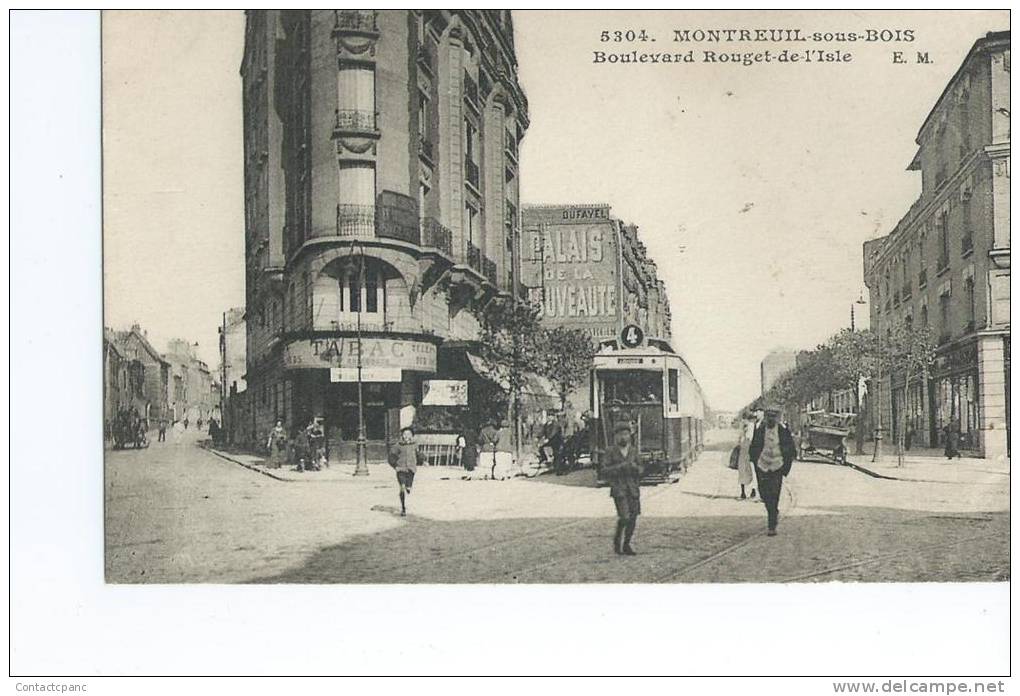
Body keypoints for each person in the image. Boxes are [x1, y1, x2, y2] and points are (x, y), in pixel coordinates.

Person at [748, 405, 797, 536]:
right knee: (764, 494)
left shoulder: (782, 431)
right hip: (762, 466)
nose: (771, 419)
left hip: (777, 467)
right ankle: (773, 512)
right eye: (768, 416)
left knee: (774, 494)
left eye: (773, 417)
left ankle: (772, 524)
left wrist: (785, 467)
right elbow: (753, 447)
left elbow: (791, 449)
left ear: (777, 418)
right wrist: (755, 461)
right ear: (765, 417)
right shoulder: (759, 430)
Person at [601, 422, 643, 555]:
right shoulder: (610, 451)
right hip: (619, 490)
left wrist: (635, 468)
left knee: (633, 517)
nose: (623, 437)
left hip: (633, 489)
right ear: (616, 437)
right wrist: (621, 467)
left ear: (630, 435)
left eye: (626, 434)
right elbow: (604, 470)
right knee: (624, 517)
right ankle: (617, 540)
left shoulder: (634, 451)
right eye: (620, 435)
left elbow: (642, 469)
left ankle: (626, 544)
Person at [389, 426, 425, 517]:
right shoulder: (398, 445)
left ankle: (408, 487)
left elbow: (419, 455)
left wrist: (423, 460)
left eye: (408, 434)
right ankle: (403, 507)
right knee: (402, 488)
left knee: (408, 488)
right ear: (402, 435)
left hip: (411, 470)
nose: (406, 436)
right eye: (404, 434)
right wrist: (395, 466)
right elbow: (391, 457)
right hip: (401, 469)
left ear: (412, 435)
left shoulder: (415, 445)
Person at [736, 415, 757, 500]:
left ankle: (753, 490)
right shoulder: (743, 428)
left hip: (750, 452)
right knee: (742, 471)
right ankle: (743, 492)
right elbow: (739, 441)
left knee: (751, 471)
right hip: (743, 452)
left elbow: (750, 439)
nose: (744, 421)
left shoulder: (751, 427)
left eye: (745, 420)